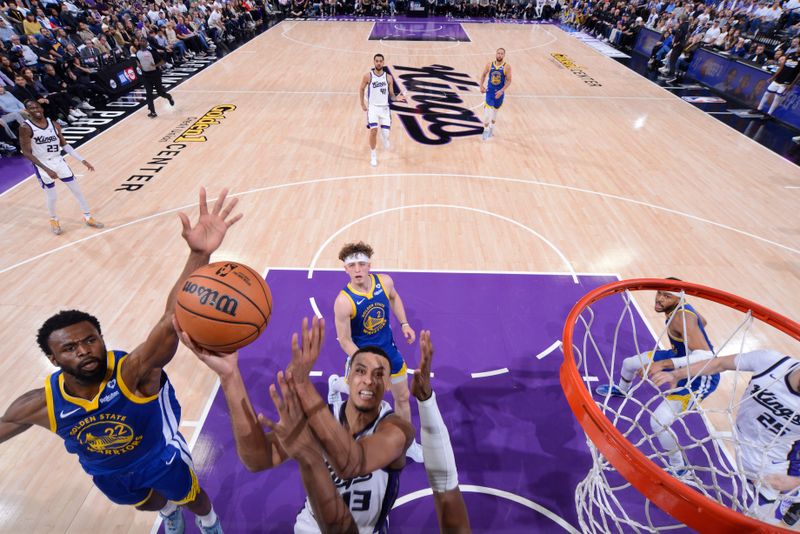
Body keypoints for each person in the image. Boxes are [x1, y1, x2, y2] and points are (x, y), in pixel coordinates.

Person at [0, 188, 240, 534]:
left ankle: (209, 522)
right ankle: (170, 511)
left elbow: (171, 319)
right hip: (107, 472)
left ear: (101, 340)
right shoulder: (41, 404)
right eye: (70, 348)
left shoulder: (132, 373)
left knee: (193, 497)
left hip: (158, 455)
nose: (83, 350)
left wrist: (198, 255)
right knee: (153, 504)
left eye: (89, 340)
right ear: (53, 359)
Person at [176, 317, 415, 533]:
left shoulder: (396, 429)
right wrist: (230, 377)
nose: (369, 380)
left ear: (389, 385)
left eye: (379, 374)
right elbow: (258, 458)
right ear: (348, 378)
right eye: (360, 370)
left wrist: (302, 385)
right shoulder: (320, 420)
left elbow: (351, 463)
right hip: (311, 525)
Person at [651, 349, 800, 526]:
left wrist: (796, 480)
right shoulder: (771, 361)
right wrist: (677, 374)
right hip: (744, 444)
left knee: (757, 524)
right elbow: (718, 363)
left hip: (779, 466)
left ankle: (795, 498)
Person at [595, 279, 720, 475]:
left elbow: (706, 357)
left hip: (701, 374)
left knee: (659, 421)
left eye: (666, 296)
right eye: (659, 293)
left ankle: (679, 466)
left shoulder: (682, 319)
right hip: (679, 357)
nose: (660, 299)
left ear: (677, 298)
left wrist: (663, 365)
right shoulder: (682, 309)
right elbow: (702, 322)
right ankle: (622, 389)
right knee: (629, 364)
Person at [329, 241, 424, 462]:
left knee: (402, 396)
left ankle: (408, 444)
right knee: (365, 404)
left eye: (362, 264)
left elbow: (394, 297)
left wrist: (405, 324)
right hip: (363, 359)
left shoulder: (385, 281)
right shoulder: (343, 302)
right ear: (346, 269)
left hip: (389, 352)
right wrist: (367, 363)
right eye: (352, 266)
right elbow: (344, 340)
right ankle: (335, 385)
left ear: (369, 265)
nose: (358, 270)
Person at [19, 99, 104, 235]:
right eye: (31, 108)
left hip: (59, 161)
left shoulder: (54, 124)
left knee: (77, 191)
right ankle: (54, 220)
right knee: (52, 197)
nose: (35, 110)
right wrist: (46, 169)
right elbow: (26, 152)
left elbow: (64, 144)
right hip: (42, 164)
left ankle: (88, 217)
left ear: (42, 108)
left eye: (37, 107)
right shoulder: (25, 127)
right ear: (27, 111)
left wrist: (82, 160)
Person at [359, 53, 406, 167]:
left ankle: (384, 137)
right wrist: (362, 104)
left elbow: (391, 95)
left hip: (385, 109)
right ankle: (373, 156)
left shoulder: (388, 77)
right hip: (373, 108)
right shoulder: (368, 76)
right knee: (373, 130)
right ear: (374, 62)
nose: (378, 63)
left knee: (386, 134)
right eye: (377, 61)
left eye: (380, 61)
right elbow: (361, 89)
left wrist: (397, 98)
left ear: (383, 62)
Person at [135, 37, 175, 118]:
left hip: (155, 74)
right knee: (149, 94)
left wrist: (156, 65)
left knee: (160, 93)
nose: (142, 43)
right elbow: (136, 59)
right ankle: (152, 112)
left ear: (146, 43)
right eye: (141, 41)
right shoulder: (137, 52)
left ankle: (169, 97)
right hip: (146, 76)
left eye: (144, 41)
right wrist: (138, 64)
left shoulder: (151, 52)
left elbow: (163, 61)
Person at [479, 48, 512, 141]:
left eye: (502, 54)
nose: (500, 55)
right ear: (496, 54)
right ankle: (485, 130)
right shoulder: (489, 64)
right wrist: (481, 86)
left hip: (499, 93)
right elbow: (483, 75)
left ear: (504, 55)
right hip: (490, 92)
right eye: (498, 53)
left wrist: (502, 90)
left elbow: (509, 80)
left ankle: (491, 127)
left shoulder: (507, 67)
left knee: (494, 113)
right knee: (486, 115)